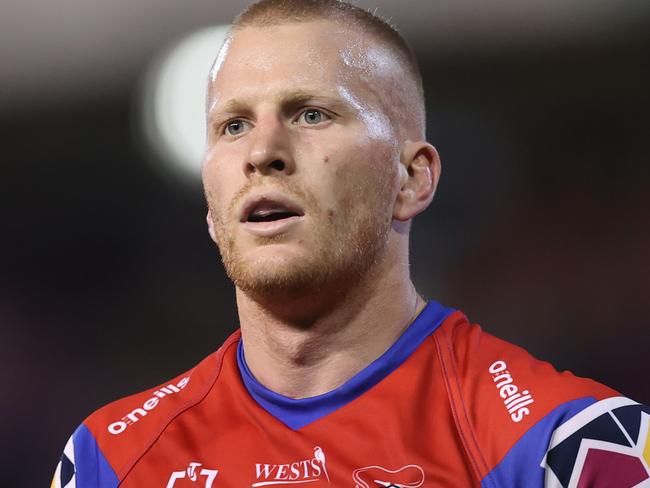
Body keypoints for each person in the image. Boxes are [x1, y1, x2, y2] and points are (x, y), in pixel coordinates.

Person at [52, 1, 649, 487]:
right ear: (211, 204)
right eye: (233, 126)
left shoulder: (568, 446)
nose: (262, 153)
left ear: (411, 178)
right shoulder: (107, 461)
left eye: (311, 114)